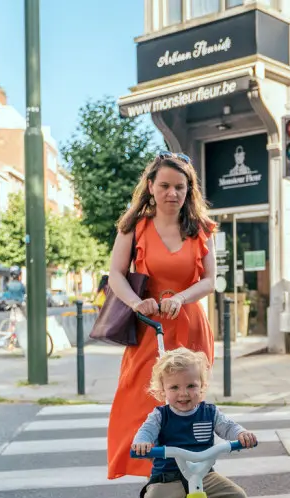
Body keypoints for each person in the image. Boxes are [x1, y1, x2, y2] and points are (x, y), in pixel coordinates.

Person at [105, 151, 217, 481]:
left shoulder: (201, 229)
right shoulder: (134, 227)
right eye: (165, 185)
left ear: (189, 190)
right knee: (139, 404)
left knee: (186, 404)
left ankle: (186, 484)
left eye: (180, 187)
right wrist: (136, 303)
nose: (172, 193)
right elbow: (115, 274)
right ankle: (155, 483)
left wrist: (182, 297)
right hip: (149, 329)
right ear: (151, 186)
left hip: (189, 326)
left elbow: (210, 281)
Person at [129, 347, 266, 498]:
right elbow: (145, 433)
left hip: (204, 476)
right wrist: (142, 443)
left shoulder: (209, 412)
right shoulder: (160, 416)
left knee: (236, 496)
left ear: (201, 386)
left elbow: (229, 427)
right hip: (168, 477)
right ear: (162, 390)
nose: (184, 394)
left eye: (191, 386)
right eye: (174, 387)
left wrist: (241, 434)